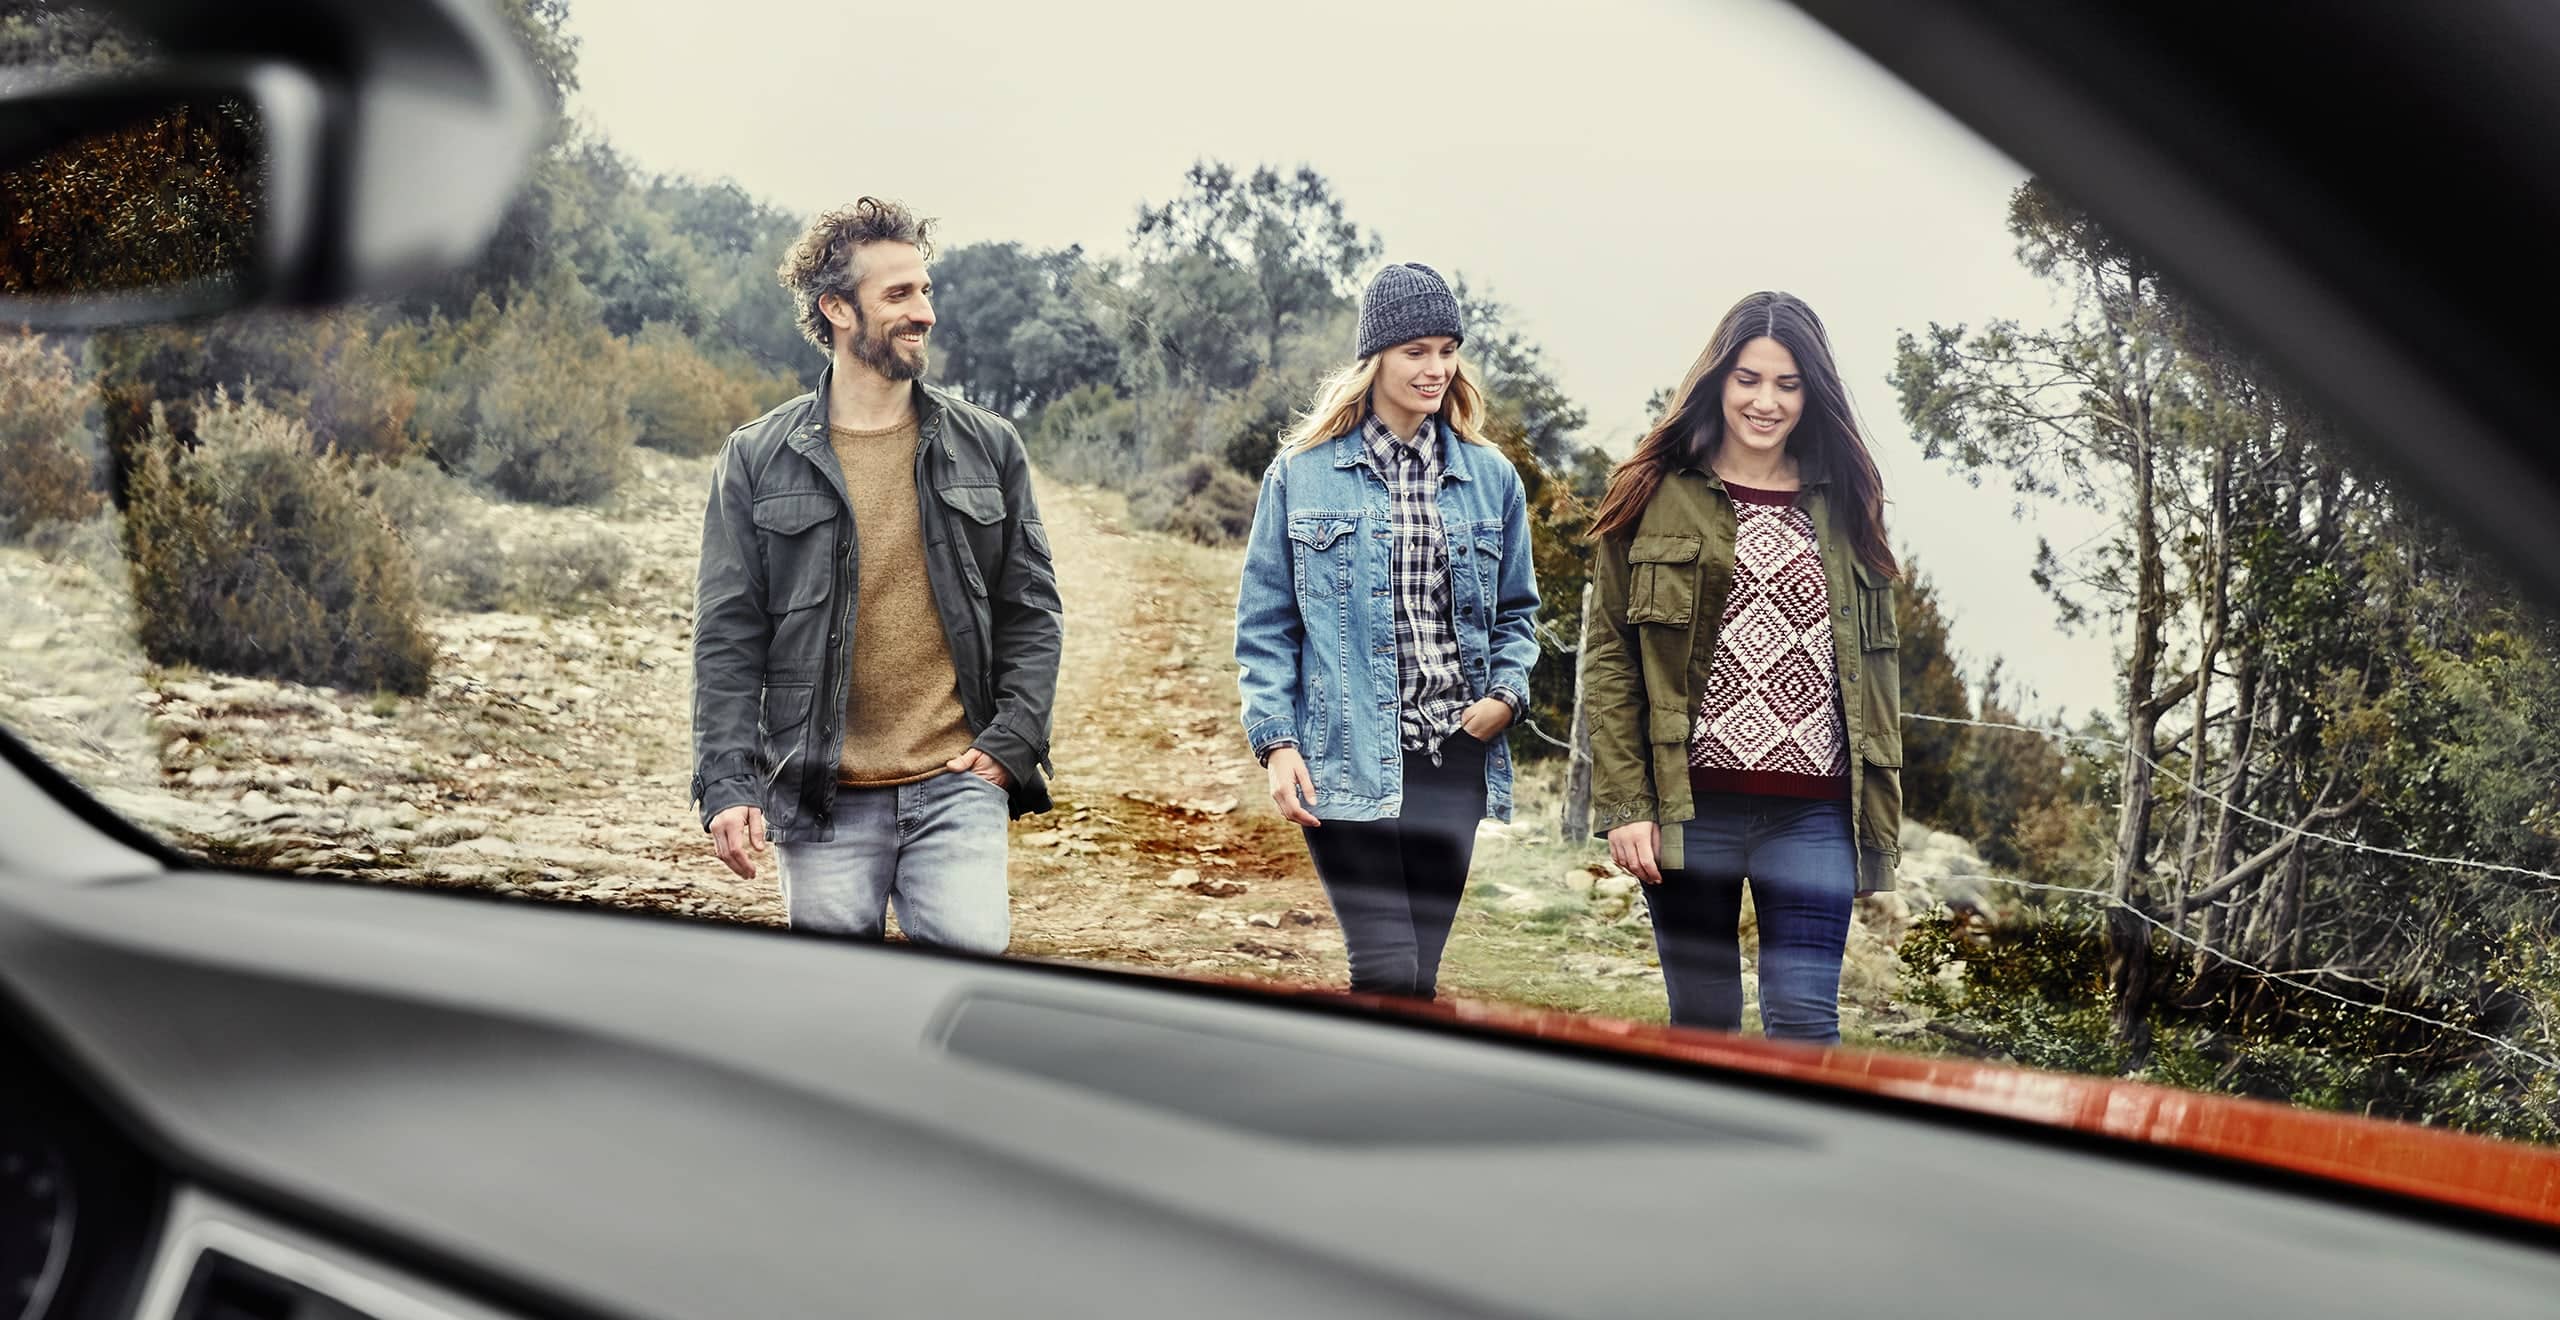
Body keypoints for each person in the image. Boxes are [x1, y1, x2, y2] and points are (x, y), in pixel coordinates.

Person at [689, 197, 1062, 954]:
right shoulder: (758, 458)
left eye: (925, 291)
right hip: (820, 794)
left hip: (958, 782)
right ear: (836, 308)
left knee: (964, 991)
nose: (924, 312)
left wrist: (1012, 739)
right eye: (899, 294)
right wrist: (727, 784)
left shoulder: (988, 445)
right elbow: (728, 638)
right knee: (837, 1016)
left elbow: (1032, 611)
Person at [1578, 290, 1903, 1043]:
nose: (1766, 401)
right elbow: (1611, 660)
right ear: (1719, 379)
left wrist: (1875, 825)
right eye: (1749, 379)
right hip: (1690, 811)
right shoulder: (1650, 494)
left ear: (1811, 392)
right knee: (1704, 1022)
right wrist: (1629, 803)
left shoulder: (1850, 500)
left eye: (1788, 384)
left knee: (1804, 1022)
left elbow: (1876, 675)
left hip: (1813, 813)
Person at [1234, 262, 1543, 999]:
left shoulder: (1490, 477)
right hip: (1344, 760)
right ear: (1376, 358)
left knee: (1420, 979)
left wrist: (1505, 695)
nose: (1435, 369)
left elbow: (1518, 614)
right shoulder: (1301, 475)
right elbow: (1265, 624)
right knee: (1384, 969)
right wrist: (1277, 744)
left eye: (1447, 349)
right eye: (1416, 352)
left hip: (1453, 758)